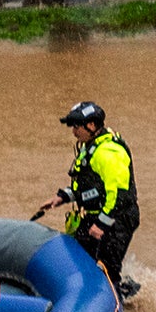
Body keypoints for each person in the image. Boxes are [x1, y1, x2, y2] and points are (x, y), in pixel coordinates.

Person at [44, 101, 140, 298]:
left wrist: (101, 225)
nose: (74, 131)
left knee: (106, 270)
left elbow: (119, 196)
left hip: (117, 220)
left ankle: (118, 296)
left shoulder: (109, 153)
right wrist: (62, 197)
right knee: (77, 258)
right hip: (95, 217)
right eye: (73, 126)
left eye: (77, 126)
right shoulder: (91, 148)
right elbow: (87, 187)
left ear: (93, 125)